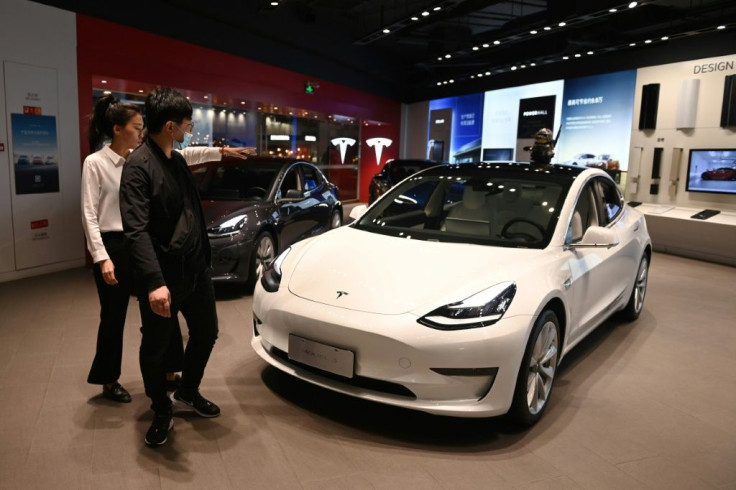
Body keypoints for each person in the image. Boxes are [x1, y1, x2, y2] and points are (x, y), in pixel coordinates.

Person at [82, 94, 249, 405]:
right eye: (136, 127)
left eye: (143, 127)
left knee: (160, 315)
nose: (142, 132)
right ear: (117, 129)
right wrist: (101, 256)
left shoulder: (147, 156)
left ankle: (171, 372)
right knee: (114, 316)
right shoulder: (98, 163)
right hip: (115, 246)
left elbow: (187, 153)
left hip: (146, 245)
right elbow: (89, 214)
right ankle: (109, 378)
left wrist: (222, 151)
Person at [120, 87, 221, 447]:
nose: (189, 129)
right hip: (163, 278)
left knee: (207, 332)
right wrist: (153, 283)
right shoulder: (138, 167)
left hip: (195, 270)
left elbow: (190, 212)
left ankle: (188, 391)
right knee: (157, 347)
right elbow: (136, 230)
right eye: (185, 124)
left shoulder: (177, 160)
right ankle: (161, 407)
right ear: (169, 126)